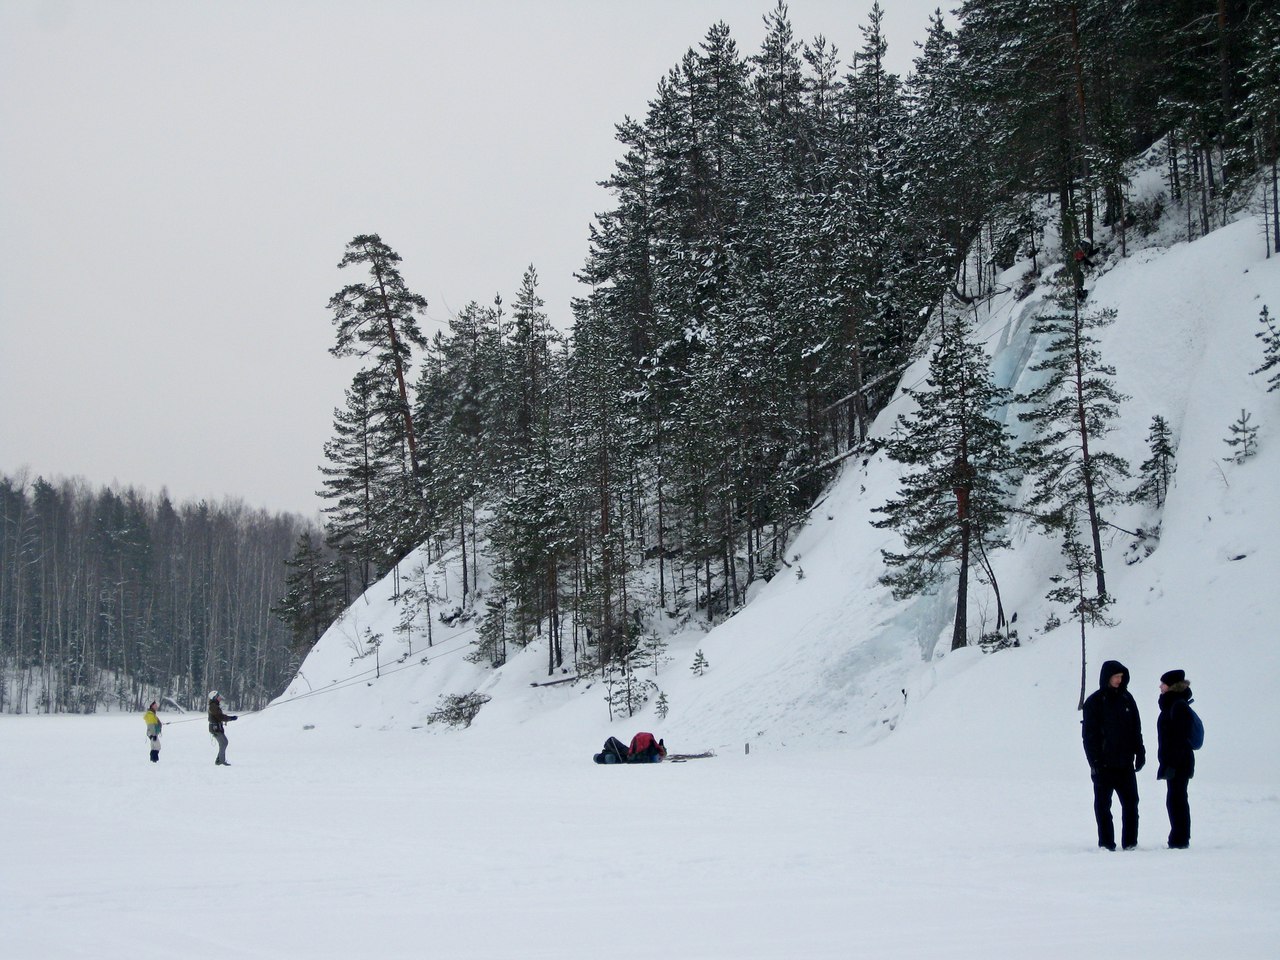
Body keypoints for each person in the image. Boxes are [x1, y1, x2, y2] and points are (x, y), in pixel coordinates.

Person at [1081, 660, 1145, 850]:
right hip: (1104, 765)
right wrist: (1095, 762)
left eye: (1121, 677)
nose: (1119, 680)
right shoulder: (1094, 702)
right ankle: (1106, 844)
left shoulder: (1127, 699)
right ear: (1107, 677)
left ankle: (1131, 843)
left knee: (1131, 804)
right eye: (1116, 677)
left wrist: (1140, 751)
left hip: (1125, 763)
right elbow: (1089, 736)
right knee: (1102, 807)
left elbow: (1136, 728)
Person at [1157, 669, 1195, 849]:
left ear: (1171, 686)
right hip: (1175, 761)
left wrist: (1172, 763)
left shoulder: (1177, 705)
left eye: (1163, 683)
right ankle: (1179, 837)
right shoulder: (1173, 703)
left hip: (1178, 762)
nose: (1160, 686)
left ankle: (1180, 839)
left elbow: (1179, 737)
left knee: (1177, 799)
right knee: (1175, 799)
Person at [207, 690, 238, 766]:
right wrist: (231, 718)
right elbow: (220, 716)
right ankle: (220, 761)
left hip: (217, 727)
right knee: (224, 743)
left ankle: (219, 760)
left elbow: (219, 716)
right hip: (215, 728)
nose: (220, 698)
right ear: (214, 697)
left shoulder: (215, 705)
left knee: (224, 743)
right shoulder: (213, 706)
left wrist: (229, 718)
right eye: (218, 696)